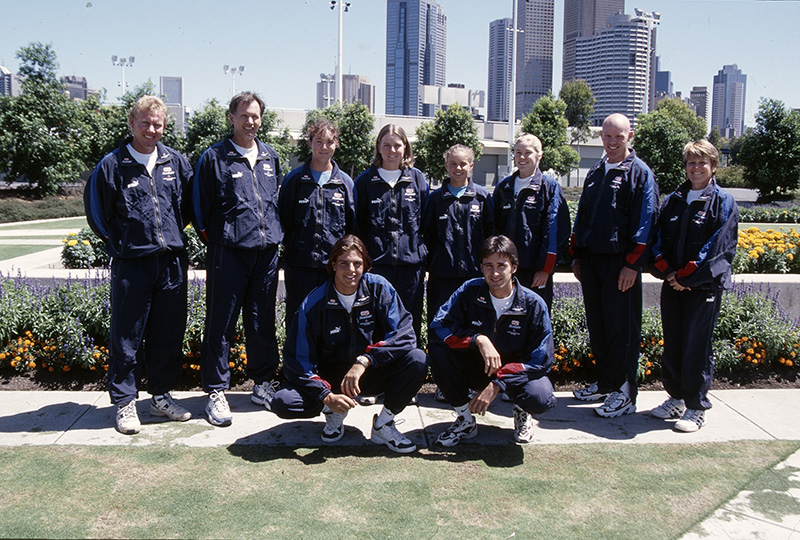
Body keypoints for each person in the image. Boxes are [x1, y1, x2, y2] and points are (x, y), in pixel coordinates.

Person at [84, 95, 193, 434]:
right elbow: (97, 215)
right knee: (127, 336)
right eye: (145, 122)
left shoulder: (177, 163)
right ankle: (125, 402)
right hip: (132, 264)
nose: (151, 129)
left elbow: (188, 208)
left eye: (157, 124)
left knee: (167, 333)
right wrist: (123, 244)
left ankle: (160, 397)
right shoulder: (112, 165)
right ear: (131, 123)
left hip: (171, 263)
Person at [272, 235, 428, 453]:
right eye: (344, 262)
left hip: (367, 374)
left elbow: (405, 335)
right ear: (333, 265)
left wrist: (365, 360)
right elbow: (296, 361)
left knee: (418, 359)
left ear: (365, 266)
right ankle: (333, 412)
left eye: (357, 263)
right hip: (330, 380)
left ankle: (384, 424)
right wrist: (325, 395)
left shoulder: (380, 289)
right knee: (283, 401)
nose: (351, 270)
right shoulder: (313, 304)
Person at [192, 91, 283, 426]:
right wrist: (221, 240)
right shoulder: (214, 158)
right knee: (221, 324)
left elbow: (274, 204)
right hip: (228, 254)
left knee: (262, 322)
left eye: (255, 116)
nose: (250, 122)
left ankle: (262, 384)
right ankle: (216, 391)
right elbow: (199, 211)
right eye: (244, 115)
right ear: (231, 118)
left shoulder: (271, 157)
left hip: (266, 254)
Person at [570, 113, 659, 418]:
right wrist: (578, 256)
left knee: (622, 330)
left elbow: (646, 223)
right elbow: (583, 216)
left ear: (629, 137)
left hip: (620, 264)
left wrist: (632, 265)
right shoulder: (596, 171)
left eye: (618, 137)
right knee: (599, 326)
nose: (611, 142)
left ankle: (625, 392)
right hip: (593, 263)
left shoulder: (640, 174)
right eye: (607, 136)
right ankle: (606, 382)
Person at [429, 235, 557, 446]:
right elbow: (439, 327)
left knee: (540, 396)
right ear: (481, 267)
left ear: (514, 267)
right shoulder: (469, 291)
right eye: (488, 266)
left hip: (515, 376)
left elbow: (541, 359)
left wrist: (498, 383)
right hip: (478, 368)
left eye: (501, 265)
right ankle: (465, 419)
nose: (495, 273)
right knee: (438, 353)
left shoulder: (533, 304)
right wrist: (478, 339)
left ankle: (522, 411)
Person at [648, 140, 738, 432]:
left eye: (702, 163)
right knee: (673, 342)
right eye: (691, 162)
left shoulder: (723, 202)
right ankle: (675, 398)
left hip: (703, 289)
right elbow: (657, 238)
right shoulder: (675, 199)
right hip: (674, 284)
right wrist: (669, 273)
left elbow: (718, 248)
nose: (696, 168)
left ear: (713, 166)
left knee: (696, 348)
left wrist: (686, 277)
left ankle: (696, 407)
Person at [354, 124, 429, 342]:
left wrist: (420, 252)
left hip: (410, 268)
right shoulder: (365, 181)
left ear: (406, 148)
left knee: (408, 323)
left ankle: (406, 371)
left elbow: (426, 222)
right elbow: (357, 226)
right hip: (377, 267)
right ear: (378, 147)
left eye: (397, 145)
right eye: (386, 145)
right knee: (375, 322)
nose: (392, 150)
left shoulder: (417, 179)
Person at [279, 118, 355, 322]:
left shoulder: (345, 183)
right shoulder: (294, 180)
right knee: (298, 318)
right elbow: (283, 219)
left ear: (336, 144)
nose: (324, 147)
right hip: (299, 266)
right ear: (309, 142)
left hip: (333, 268)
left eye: (330, 142)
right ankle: (295, 355)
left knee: (332, 321)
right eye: (319, 141)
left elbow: (351, 227)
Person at [493, 134, 570, 311]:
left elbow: (556, 230)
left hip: (535, 270)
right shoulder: (504, 187)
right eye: (518, 152)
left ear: (539, 155)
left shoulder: (549, 187)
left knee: (534, 318)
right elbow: (494, 228)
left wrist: (545, 268)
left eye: (528, 153)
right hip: (505, 268)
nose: (522, 157)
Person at [423, 144, 494, 329]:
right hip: (442, 277)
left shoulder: (482, 197)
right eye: (453, 164)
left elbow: (491, 234)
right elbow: (427, 235)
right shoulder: (435, 199)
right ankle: (438, 359)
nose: (458, 168)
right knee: (440, 324)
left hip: (475, 275)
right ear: (446, 166)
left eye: (463, 164)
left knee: (474, 325)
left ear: (471, 165)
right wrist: (435, 263)